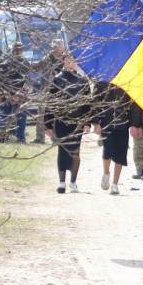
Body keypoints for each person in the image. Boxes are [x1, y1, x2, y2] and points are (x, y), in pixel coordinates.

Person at [44, 53, 89, 192]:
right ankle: (61, 182)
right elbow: (50, 102)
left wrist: (88, 121)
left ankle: (73, 182)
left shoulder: (82, 80)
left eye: (73, 61)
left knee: (75, 151)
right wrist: (48, 124)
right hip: (62, 120)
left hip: (78, 121)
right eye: (67, 61)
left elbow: (88, 102)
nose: (70, 63)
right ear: (63, 62)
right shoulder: (57, 79)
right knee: (62, 149)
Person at [94, 83, 138, 196]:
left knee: (121, 154)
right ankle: (106, 173)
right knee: (107, 150)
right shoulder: (102, 79)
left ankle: (115, 184)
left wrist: (134, 124)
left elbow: (134, 102)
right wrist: (96, 122)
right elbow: (95, 101)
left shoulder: (128, 79)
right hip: (106, 122)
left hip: (123, 122)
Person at [0, 41, 30, 143]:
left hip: (3, 93)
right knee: (20, 115)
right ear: (21, 50)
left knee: (4, 114)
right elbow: (23, 80)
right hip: (16, 94)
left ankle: (0, 136)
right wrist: (16, 95)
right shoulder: (23, 62)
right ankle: (20, 138)